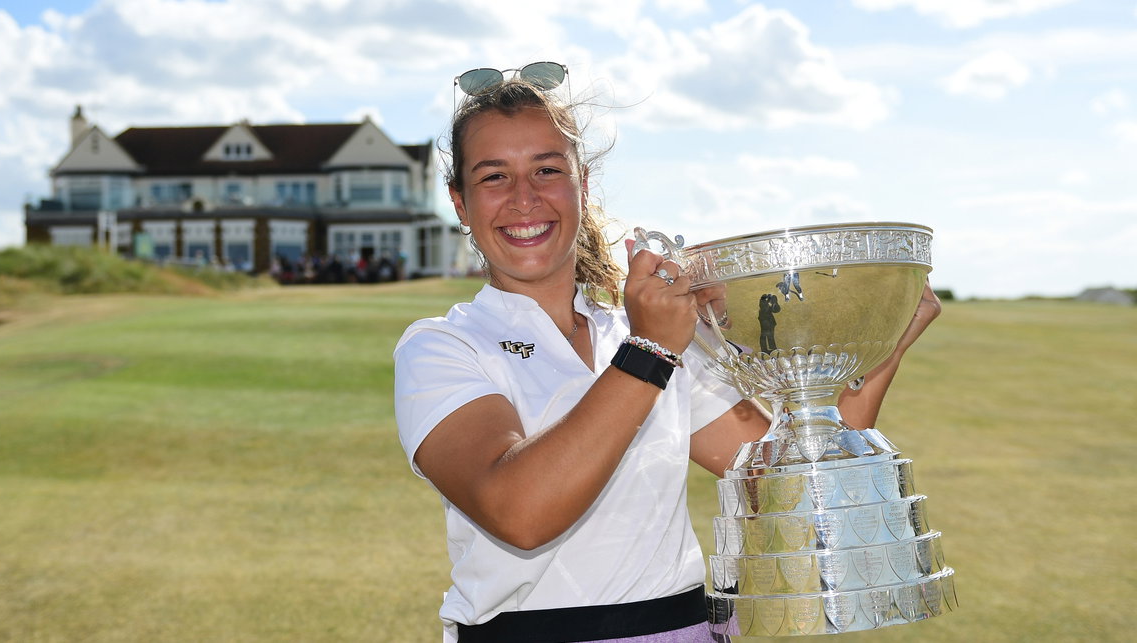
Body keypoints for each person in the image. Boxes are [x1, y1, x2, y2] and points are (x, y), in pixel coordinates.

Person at [393, 64, 941, 643]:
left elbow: (790, 486)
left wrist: (884, 345)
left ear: (583, 182)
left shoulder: (648, 336)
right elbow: (519, 512)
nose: (524, 199)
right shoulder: (444, 346)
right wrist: (650, 350)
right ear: (460, 202)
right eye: (494, 177)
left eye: (547, 170)